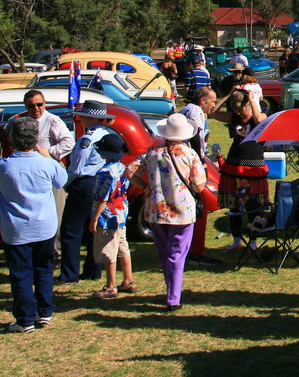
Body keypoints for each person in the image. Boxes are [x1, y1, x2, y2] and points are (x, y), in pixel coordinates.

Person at [128, 114, 205, 312]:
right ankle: (173, 297)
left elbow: (129, 171)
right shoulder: (190, 155)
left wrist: (145, 186)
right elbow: (198, 186)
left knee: (164, 252)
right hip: (182, 212)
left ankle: (171, 289)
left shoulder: (153, 152)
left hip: (156, 209)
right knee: (177, 253)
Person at [0, 117, 67, 333]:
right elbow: (62, 180)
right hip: (44, 226)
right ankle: (44, 311)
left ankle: (25, 319)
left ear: (12, 139)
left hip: (16, 229)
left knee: (21, 274)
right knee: (44, 270)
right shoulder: (46, 163)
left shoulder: (4, 167)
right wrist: (49, 157)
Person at [59, 101, 114, 284]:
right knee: (93, 228)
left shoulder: (87, 139)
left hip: (84, 183)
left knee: (71, 229)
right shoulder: (106, 134)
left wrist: (66, 183)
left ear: (91, 118)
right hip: (100, 182)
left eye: (82, 115)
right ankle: (93, 269)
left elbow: (76, 167)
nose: (80, 118)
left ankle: (69, 274)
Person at [211, 88, 268, 251]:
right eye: (235, 109)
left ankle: (253, 242)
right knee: (233, 205)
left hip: (254, 167)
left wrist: (251, 100)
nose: (238, 112)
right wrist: (227, 95)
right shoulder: (234, 117)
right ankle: (236, 241)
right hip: (233, 166)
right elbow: (214, 113)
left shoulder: (260, 116)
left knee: (254, 205)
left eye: (240, 108)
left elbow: (258, 119)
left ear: (249, 106)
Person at [23, 90, 73, 259]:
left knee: (56, 212)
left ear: (44, 103)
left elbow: (68, 143)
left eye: (39, 104)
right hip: (31, 172)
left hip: (51, 168)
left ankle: (56, 253)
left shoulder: (53, 120)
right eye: (31, 106)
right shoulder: (25, 122)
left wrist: (47, 153)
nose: (36, 108)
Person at [88, 135, 135, 299]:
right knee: (123, 246)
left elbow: (102, 197)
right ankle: (128, 279)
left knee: (109, 251)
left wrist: (94, 218)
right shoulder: (123, 167)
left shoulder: (104, 172)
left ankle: (110, 285)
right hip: (121, 213)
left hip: (107, 216)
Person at [178, 87, 221, 267]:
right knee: (200, 206)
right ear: (202, 100)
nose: (213, 105)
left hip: (182, 160)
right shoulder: (196, 111)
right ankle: (196, 251)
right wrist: (200, 161)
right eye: (211, 101)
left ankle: (185, 248)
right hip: (192, 162)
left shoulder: (184, 109)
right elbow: (195, 134)